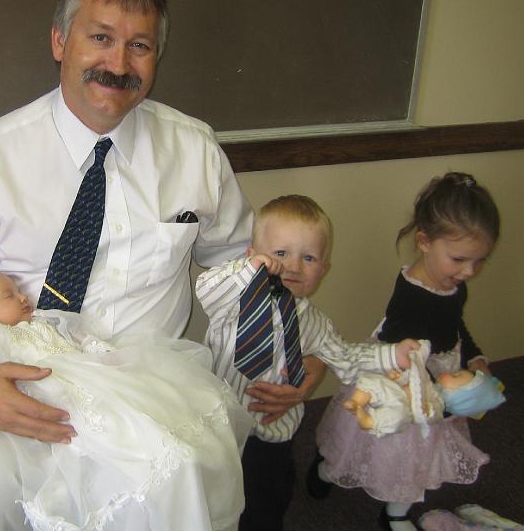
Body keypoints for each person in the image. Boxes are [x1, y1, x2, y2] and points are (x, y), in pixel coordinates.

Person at [0, 0, 313, 529]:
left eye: (140, 46)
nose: (118, 63)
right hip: (18, 378)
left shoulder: (194, 150)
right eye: (100, 38)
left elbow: (242, 267)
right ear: (60, 40)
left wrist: (291, 355)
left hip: (149, 383)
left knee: (181, 477)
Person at [0, 270, 253, 531]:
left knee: (157, 408)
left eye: (18, 291)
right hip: (50, 386)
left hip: (87, 374)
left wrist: (96, 350)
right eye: (9, 296)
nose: (24, 297)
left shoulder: (39, 321)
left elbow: (70, 339)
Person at [195, 194, 420, 531]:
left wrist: (393, 354)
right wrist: (250, 270)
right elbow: (207, 288)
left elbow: (345, 357)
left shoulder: (316, 323)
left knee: (267, 502)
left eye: (309, 257)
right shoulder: (235, 298)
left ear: (323, 270)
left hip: (273, 433)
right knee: (213, 499)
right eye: (280, 254)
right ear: (252, 255)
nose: (293, 266)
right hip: (219, 424)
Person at [311, 172, 502, 531]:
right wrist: (437, 394)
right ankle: (324, 469)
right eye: (460, 259)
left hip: (440, 379)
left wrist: (475, 359)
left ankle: (395, 513)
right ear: (425, 242)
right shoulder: (411, 295)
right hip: (401, 379)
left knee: (418, 457)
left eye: (479, 262)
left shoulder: (454, 284)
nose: (469, 271)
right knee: (367, 441)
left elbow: (455, 325)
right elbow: (400, 351)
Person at [344, 340, 505, 437]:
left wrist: (424, 410)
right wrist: (399, 377)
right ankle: (357, 400)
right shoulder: (431, 385)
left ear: (457, 395)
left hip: (399, 404)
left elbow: (428, 417)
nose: (451, 373)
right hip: (395, 390)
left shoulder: (436, 406)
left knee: (397, 417)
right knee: (373, 381)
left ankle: (370, 421)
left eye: (455, 377)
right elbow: (414, 378)